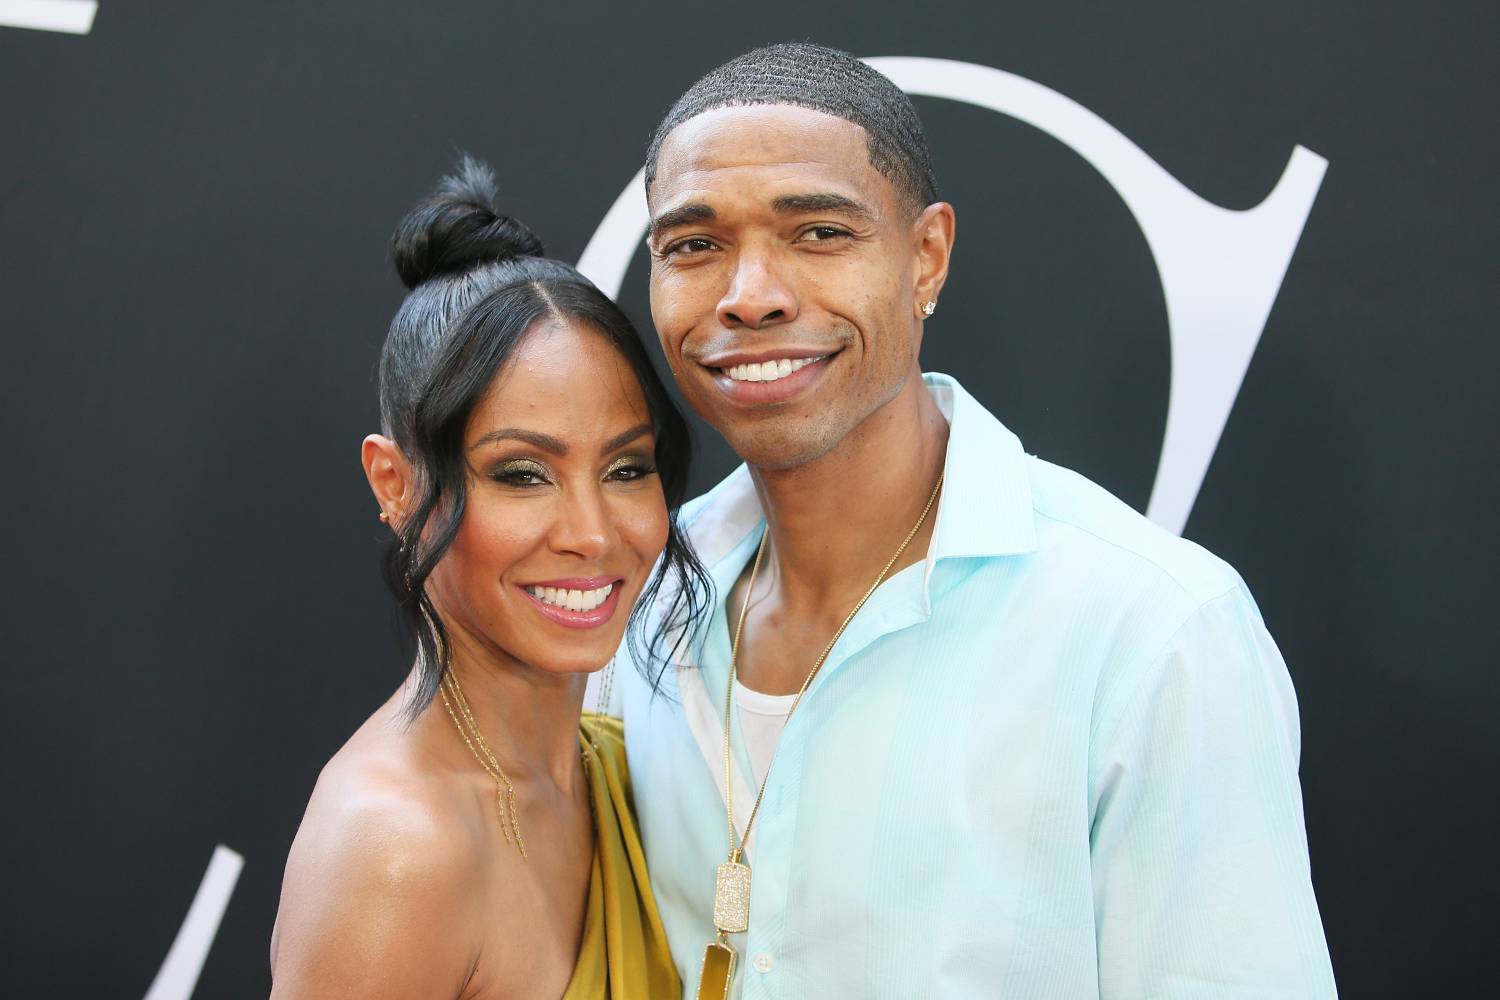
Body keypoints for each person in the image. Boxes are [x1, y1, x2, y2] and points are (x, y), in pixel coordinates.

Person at [614, 43, 1339, 999]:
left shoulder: (1154, 628)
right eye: (694, 246)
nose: (751, 296)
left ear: (927, 258)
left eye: (820, 233)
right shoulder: (634, 600)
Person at [269, 159, 697, 999]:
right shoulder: (398, 850)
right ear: (394, 484)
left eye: (625, 468)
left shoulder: (615, 762)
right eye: (522, 474)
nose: (592, 534)